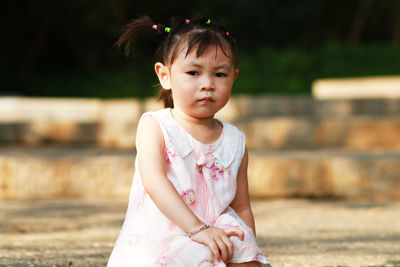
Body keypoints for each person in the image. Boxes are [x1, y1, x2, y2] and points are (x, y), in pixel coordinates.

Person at [107, 15, 270, 267]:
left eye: (219, 74)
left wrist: (249, 250)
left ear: (233, 78)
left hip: (216, 231)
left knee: (239, 241)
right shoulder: (156, 126)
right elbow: (155, 182)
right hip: (166, 234)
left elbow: (242, 207)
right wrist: (198, 229)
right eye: (193, 72)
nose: (207, 84)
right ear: (165, 75)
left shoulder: (234, 141)